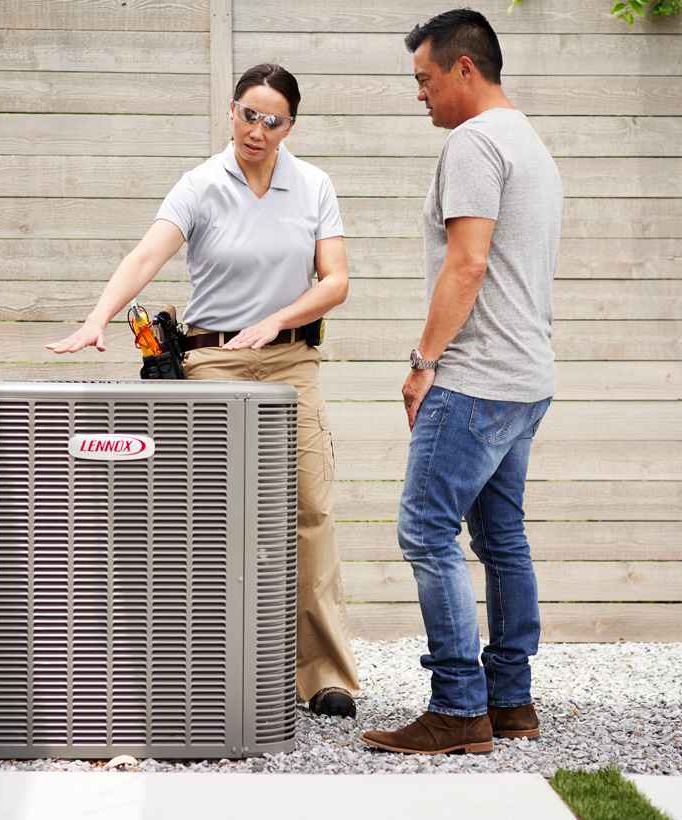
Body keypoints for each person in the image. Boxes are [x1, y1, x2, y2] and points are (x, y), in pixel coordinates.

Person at [47, 63, 362, 717]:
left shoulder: (314, 187)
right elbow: (144, 257)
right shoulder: (199, 185)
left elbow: (335, 281)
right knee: (202, 522)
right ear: (231, 112)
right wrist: (95, 319)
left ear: (290, 126)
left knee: (309, 514)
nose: (257, 129)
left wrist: (278, 318)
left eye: (272, 120)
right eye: (248, 114)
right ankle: (199, 661)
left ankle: (325, 674)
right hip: (212, 365)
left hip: (290, 364)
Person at [361, 10, 562, 755]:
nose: (421, 95)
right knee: (501, 536)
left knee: (425, 529)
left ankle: (457, 707)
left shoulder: (475, 142)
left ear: (464, 69)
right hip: (526, 374)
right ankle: (511, 702)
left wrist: (423, 363)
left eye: (424, 79)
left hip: (475, 378)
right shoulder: (529, 142)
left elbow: (469, 262)